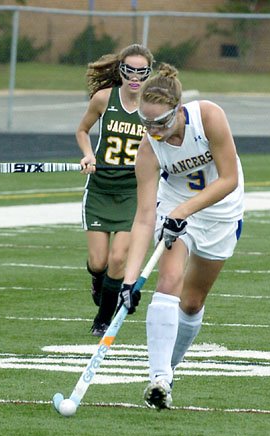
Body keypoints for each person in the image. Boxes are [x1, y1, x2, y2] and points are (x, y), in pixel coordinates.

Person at [117, 63, 244, 409]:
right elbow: (143, 218)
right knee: (168, 281)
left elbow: (229, 178)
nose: (154, 130)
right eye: (147, 123)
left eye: (161, 122)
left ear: (178, 109)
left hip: (221, 211)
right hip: (174, 209)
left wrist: (185, 211)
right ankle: (159, 378)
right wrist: (129, 281)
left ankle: (169, 368)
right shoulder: (148, 149)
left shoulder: (209, 118)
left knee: (192, 302)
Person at [76, 44, 153, 337]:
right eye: (129, 70)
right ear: (121, 70)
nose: (135, 77)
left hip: (134, 191)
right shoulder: (104, 99)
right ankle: (100, 281)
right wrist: (88, 155)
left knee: (119, 258)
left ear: (148, 73)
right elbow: (82, 131)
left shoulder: (153, 105)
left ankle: (102, 319)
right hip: (100, 188)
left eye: (141, 71)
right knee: (99, 262)